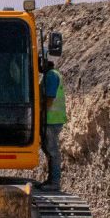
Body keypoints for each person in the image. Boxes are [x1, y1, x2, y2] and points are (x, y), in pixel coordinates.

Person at [42, 59, 66, 190]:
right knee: (49, 149)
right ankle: (51, 180)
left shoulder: (51, 75)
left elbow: (50, 99)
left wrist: (39, 113)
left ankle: (54, 182)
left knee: (52, 150)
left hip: (52, 119)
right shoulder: (52, 74)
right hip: (52, 119)